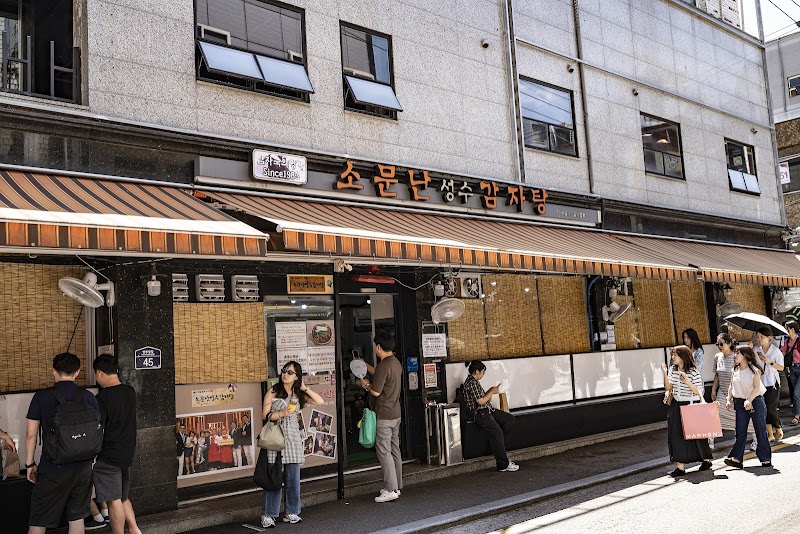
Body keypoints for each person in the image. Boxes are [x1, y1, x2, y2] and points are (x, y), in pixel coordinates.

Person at [25, 352, 100, 534]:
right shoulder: (89, 396)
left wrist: (29, 464)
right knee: (76, 519)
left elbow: (31, 434)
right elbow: (97, 429)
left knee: (38, 520)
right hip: (83, 467)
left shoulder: (41, 397)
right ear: (77, 372)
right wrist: (93, 457)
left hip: (52, 467)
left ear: (53, 372)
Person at [260, 360, 324, 528]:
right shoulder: (273, 392)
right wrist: (280, 413)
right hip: (275, 438)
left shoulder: (298, 394)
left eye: (289, 372)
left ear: (297, 376)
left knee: (293, 479)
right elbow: (265, 416)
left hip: (293, 439)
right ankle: (269, 514)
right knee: (274, 478)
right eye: (284, 371)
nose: (285, 374)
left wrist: (305, 388)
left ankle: (292, 512)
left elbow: (320, 401)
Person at [91, 354, 141, 534]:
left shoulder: (102, 398)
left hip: (108, 456)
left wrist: (93, 455)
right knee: (123, 497)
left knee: (113, 500)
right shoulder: (130, 392)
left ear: (99, 373)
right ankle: (135, 529)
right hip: (127, 453)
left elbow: (99, 429)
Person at [360, 333, 403, 503]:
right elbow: (379, 373)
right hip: (395, 413)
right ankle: (396, 486)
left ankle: (390, 489)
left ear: (378, 347)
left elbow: (375, 391)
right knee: (394, 450)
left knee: (384, 451)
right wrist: (365, 366)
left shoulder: (384, 365)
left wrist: (366, 385)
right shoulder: (395, 363)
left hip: (384, 414)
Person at [660, 345, 712, 477]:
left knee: (697, 435)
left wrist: (688, 382)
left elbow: (700, 392)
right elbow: (668, 386)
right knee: (676, 435)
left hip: (691, 404)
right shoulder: (673, 369)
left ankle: (705, 460)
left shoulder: (694, 371)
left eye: (675, 355)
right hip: (677, 405)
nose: (672, 357)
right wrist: (665, 373)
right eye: (672, 355)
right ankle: (680, 467)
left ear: (683, 357)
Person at [461, 360, 518, 473]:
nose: (483, 375)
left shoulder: (473, 382)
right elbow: (481, 401)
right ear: (477, 371)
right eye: (483, 372)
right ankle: (503, 464)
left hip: (487, 410)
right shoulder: (471, 383)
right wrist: (492, 391)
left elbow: (481, 397)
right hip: (480, 413)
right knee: (497, 433)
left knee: (509, 419)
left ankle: (500, 450)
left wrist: (490, 391)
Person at [724, 346, 772, 468]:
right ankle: (737, 459)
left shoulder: (754, 370)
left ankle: (765, 458)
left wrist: (749, 400)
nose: (735, 356)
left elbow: (757, 388)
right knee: (740, 431)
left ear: (745, 356)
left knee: (760, 429)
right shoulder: (735, 370)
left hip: (755, 401)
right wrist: (728, 400)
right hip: (739, 403)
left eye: (738, 353)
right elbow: (731, 386)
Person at [754, 327, 784, 441]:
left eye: (762, 337)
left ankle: (778, 426)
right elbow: (753, 363)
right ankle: (770, 434)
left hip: (772, 382)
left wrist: (769, 362)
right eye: (758, 336)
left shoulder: (775, 351)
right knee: (764, 409)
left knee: (771, 408)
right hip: (761, 383)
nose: (759, 339)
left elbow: (781, 368)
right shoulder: (757, 350)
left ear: (769, 337)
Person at [781, 320, 800, 425]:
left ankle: (796, 416)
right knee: (796, 393)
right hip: (792, 370)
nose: (785, 330)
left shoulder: (799, 340)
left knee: (797, 393)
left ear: (792, 329)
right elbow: (781, 352)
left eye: (786, 328)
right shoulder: (787, 341)